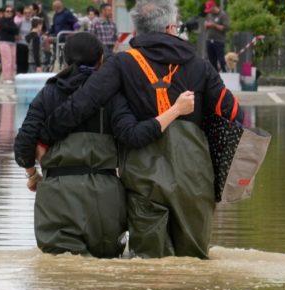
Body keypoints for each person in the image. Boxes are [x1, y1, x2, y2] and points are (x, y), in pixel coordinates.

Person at [41, 0, 244, 259]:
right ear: (171, 27)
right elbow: (235, 114)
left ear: (136, 31)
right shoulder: (199, 65)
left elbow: (81, 104)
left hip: (143, 177)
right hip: (194, 177)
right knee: (195, 263)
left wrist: (45, 135)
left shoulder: (122, 63)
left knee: (149, 265)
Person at [14, 32, 194, 258]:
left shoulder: (47, 94)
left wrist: (32, 174)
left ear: (65, 58)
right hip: (105, 198)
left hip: (56, 194)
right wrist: (176, 110)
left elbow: (23, 144)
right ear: (101, 59)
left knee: (59, 279)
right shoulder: (112, 96)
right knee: (105, 271)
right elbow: (134, 136)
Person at [204, 0, 229, 72]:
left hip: (219, 41)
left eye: (210, 9)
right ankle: (214, 75)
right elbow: (206, 25)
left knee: (221, 60)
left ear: (214, 7)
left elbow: (225, 28)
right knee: (211, 60)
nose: (209, 11)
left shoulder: (223, 15)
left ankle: (225, 73)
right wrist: (206, 25)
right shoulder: (209, 15)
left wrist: (214, 25)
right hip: (209, 40)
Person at [0, 5, 18, 83]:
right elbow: (6, 28)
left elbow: (16, 30)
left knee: (13, 60)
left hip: (12, 42)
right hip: (4, 42)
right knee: (7, 60)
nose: (9, 13)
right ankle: (6, 78)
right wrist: (12, 29)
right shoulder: (2, 20)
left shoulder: (12, 21)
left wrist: (12, 29)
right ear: (4, 12)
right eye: (7, 11)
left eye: (11, 11)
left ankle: (11, 76)